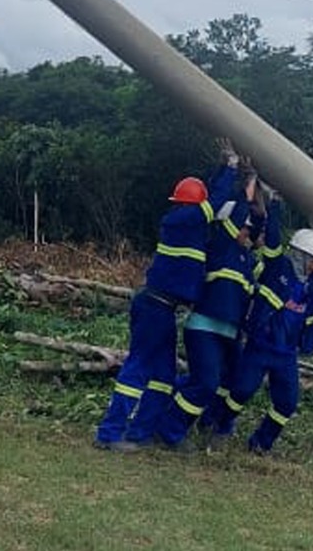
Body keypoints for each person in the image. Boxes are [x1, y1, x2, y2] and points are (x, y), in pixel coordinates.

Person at [95, 150, 236, 450]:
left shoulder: (189, 228)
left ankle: (140, 433)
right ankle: (109, 434)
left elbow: (212, 205)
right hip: (152, 307)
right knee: (138, 368)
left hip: (163, 309)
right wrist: (233, 170)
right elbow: (213, 205)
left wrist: (224, 167)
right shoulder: (182, 219)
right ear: (192, 205)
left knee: (163, 376)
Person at [203, 224, 313, 455]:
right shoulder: (278, 269)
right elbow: (272, 239)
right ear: (301, 256)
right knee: (241, 392)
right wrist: (274, 203)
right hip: (260, 346)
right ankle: (219, 429)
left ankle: (261, 444)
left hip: (286, 354)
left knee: (286, 403)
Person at [152, 177, 276, 451]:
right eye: (243, 227)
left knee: (230, 381)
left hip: (230, 333)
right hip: (205, 329)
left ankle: (208, 421)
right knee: (206, 382)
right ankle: (168, 431)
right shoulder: (220, 245)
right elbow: (242, 214)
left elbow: (261, 233)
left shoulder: (246, 261)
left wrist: (266, 206)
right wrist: (249, 186)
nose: (248, 232)